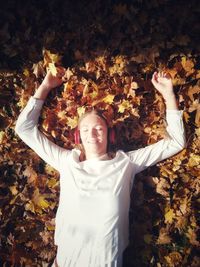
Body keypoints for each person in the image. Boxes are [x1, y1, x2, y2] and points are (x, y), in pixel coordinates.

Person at [15, 68, 185, 267]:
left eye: (98, 129)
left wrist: (168, 95)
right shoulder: (67, 162)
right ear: (78, 137)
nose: (92, 134)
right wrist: (45, 87)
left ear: (110, 135)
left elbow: (176, 142)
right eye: (85, 130)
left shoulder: (125, 163)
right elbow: (23, 128)